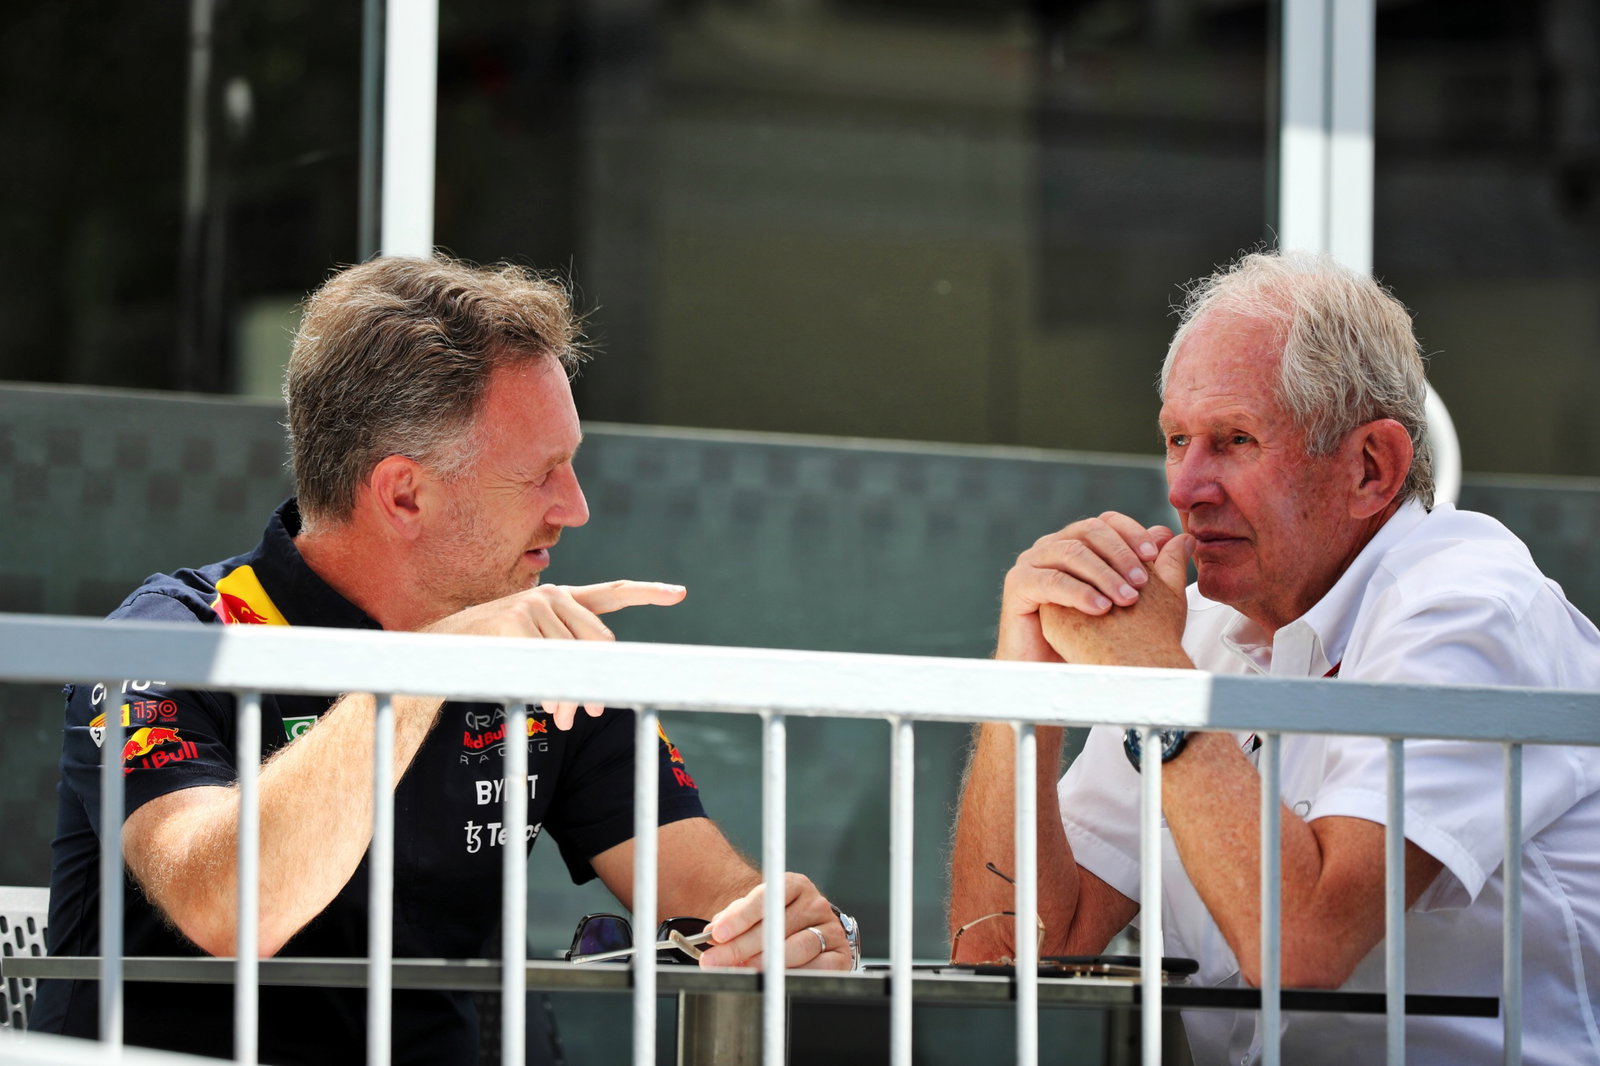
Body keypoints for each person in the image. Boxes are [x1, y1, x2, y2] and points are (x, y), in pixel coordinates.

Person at [33, 255, 860, 1064]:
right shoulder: (173, 638)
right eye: (542, 473)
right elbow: (230, 908)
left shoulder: (539, 655)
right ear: (405, 494)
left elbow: (705, 895)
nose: (575, 507)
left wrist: (775, 929)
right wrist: (425, 669)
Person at [949, 249, 1600, 1065]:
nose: (1185, 488)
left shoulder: (1468, 607)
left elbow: (1305, 946)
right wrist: (1025, 687)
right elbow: (1004, 954)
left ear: (1371, 468)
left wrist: (1154, 683)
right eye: (1176, 439)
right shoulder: (1186, 639)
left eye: (1234, 440)